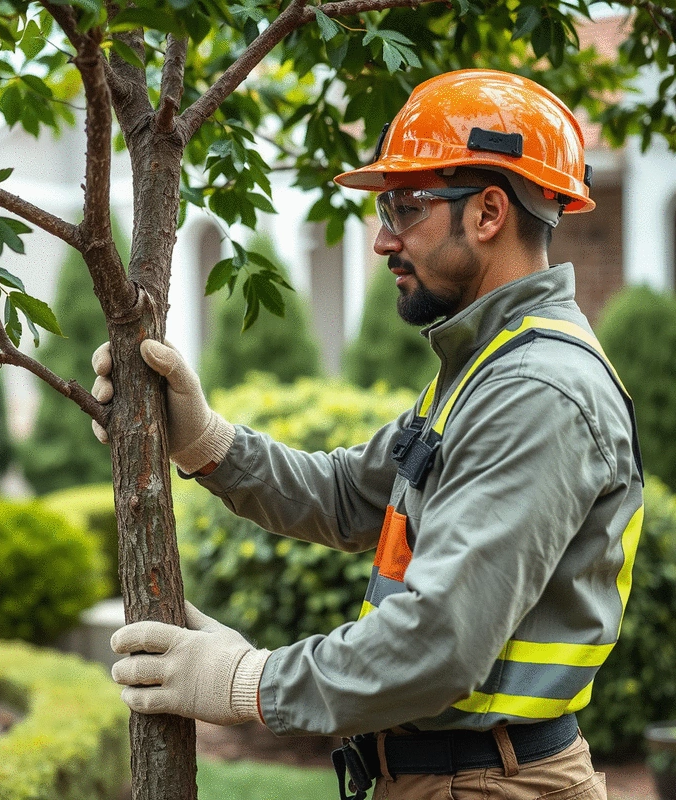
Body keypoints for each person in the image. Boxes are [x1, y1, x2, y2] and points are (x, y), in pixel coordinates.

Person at [91, 69, 644, 800]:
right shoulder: (487, 365)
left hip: (488, 785)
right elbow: (355, 494)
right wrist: (206, 442)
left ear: (487, 213)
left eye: (406, 207)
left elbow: (440, 643)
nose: (383, 238)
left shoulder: (533, 391)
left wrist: (249, 681)